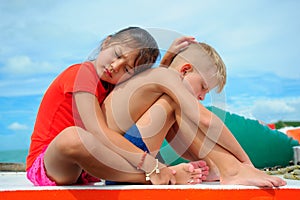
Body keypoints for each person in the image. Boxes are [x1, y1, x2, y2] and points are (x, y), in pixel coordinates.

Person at [26, 27, 204, 186]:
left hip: (88, 167)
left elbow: (146, 87)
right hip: (52, 163)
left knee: (155, 98)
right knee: (72, 137)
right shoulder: (81, 74)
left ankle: (165, 172)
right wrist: (150, 164)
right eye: (118, 55)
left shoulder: (111, 84)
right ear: (107, 42)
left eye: (127, 69)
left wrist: (168, 59)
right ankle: (152, 175)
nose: (116, 66)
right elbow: (97, 131)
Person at [101, 39, 286, 187]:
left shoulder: (158, 78)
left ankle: (216, 167)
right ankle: (230, 169)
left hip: (117, 163)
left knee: (175, 107)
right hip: (121, 163)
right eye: (203, 87)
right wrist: (245, 162)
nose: (203, 97)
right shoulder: (168, 78)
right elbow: (207, 121)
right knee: (175, 104)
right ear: (185, 69)